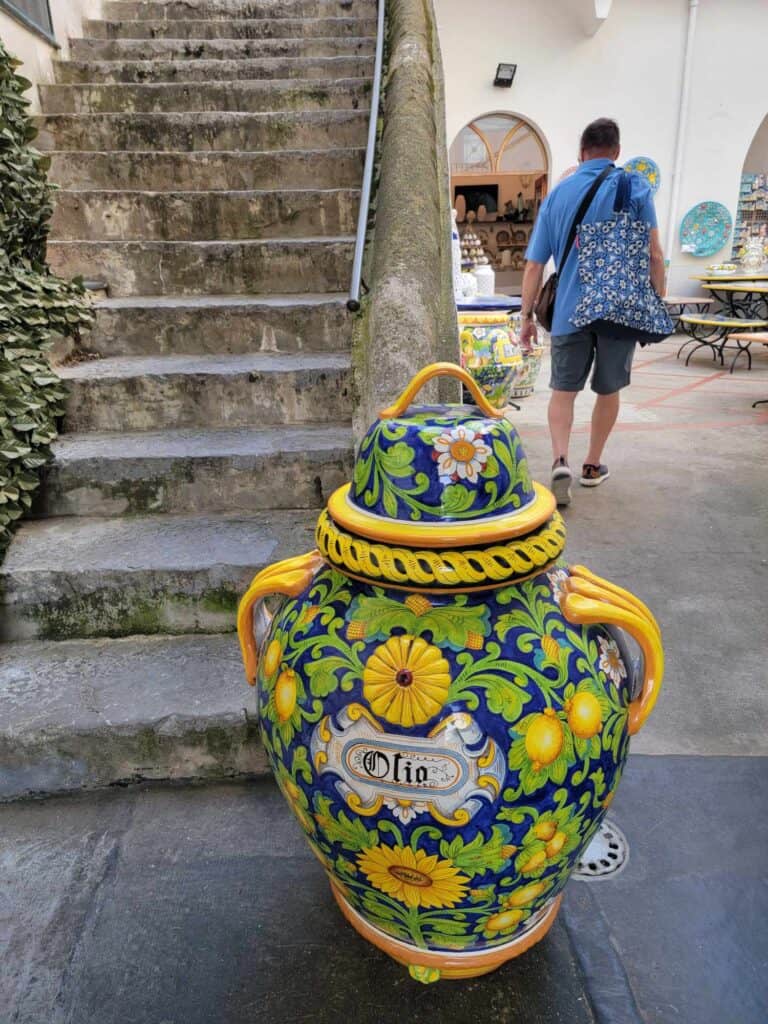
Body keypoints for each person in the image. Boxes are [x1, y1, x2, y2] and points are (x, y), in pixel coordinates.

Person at [519, 117, 665, 506]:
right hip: (619, 310)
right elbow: (654, 254)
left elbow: (534, 265)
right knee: (609, 388)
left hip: (568, 311)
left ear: (581, 153)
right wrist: (655, 304)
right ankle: (592, 464)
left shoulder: (559, 194)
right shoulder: (636, 187)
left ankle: (560, 459)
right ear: (616, 152)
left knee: (562, 391)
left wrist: (525, 318)